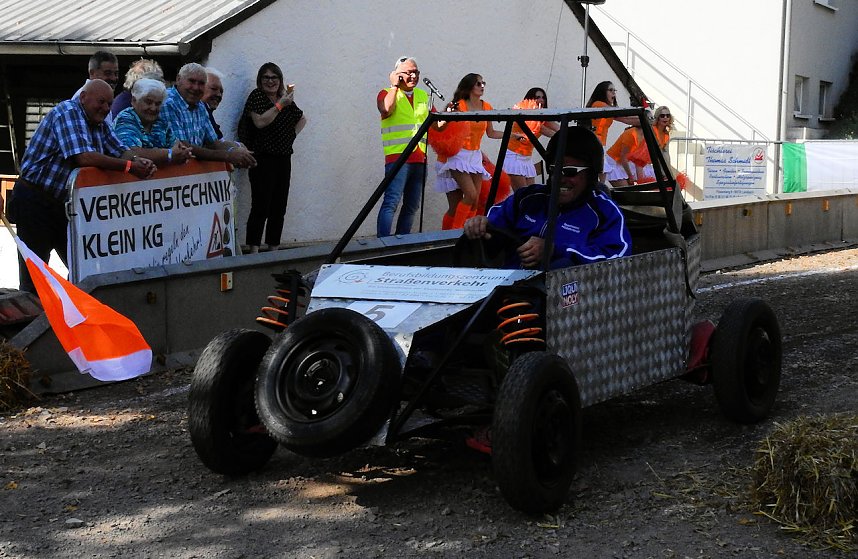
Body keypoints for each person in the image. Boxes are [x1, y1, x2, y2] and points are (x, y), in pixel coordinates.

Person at [7, 80, 156, 293]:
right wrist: (130, 166)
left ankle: (75, 316)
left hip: (65, 204)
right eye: (101, 102)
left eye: (109, 104)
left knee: (83, 266)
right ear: (83, 98)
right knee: (35, 274)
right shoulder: (67, 112)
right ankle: (36, 321)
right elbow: (83, 157)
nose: (105, 108)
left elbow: (119, 149)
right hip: (35, 199)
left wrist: (138, 160)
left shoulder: (100, 123)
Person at [463, 126, 631, 270]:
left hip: (563, 299)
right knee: (466, 243)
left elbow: (617, 256)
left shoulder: (603, 211)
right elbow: (494, 223)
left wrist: (554, 250)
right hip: (506, 292)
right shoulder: (527, 199)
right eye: (554, 170)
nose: (561, 178)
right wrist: (480, 224)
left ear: (591, 174)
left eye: (570, 171)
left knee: (562, 264)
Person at [238, 62, 307, 253]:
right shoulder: (258, 97)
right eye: (266, 77)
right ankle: (253, 249)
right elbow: (259, 122)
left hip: (283, 157)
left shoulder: (283, 98)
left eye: (274, 77)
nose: (270, 81)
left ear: (280, 79)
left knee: (279, 205)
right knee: (261, 205)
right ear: (260, 80)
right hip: (262, 157)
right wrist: (279, 105)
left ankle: (274, 247)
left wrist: (290, 136)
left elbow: (301, 118)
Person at [376, 56, 436, 238]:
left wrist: (448, 113)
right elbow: (386, 109)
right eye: (408, 72)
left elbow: (437, 124)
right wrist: (394, 86)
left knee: (412, 206)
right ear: (397, 75)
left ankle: (401, 242)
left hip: (420, 159)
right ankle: (384, 244)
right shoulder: (386, 93)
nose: (413, 76)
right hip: (398, 158)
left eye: (416, 72)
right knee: (391, 202)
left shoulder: (423, 96)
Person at [440, 73, 505, 229]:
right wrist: (448, 114)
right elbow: (442, 127)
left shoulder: (486, 107)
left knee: (475, 200)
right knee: (470, 195)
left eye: (483, 83)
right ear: (469, 86)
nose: (482, 86)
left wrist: (512, 136)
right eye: (478, 83)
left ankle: (466, 230)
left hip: (474, 155)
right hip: (459, 154)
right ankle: (457, 231)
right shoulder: (459, 105)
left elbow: (491, 133)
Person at [160, 63, 256, 168]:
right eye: (191, 81)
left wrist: (236, 151)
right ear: (178, 79)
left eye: (201, 83)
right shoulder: (168, 102)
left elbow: (213, 143)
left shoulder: (201, 106)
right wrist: (228, 155)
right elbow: (183, 147)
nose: (196, 87)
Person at [112, 78, 194, 166]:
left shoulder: (160, 122)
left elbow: (176, 146)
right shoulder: (125, 119)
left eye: (158, 104)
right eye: (148, 102)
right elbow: (131, 152)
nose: (153, 108)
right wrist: (169, 154)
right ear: (134, 101)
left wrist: (183, 152)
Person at [503, 87, 558, 191]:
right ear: (530, 99)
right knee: (522, 195)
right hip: (515, 157)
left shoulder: (541, 118)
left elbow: (558, 129)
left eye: (543, 97)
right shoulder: (523, 113)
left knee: (531, 195)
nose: (541, 100)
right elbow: (544, 130)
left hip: (527, 158)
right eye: (537, 97)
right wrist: (561, 136)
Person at [585, 81, 638, 182]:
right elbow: (623, 116)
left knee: (601, 172)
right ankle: (599, 191)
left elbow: (625, 119)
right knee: (600, 171)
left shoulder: (608, 109)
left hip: (600, 143)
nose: (614, 93)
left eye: (614, 90)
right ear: (602, 92)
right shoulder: (598, 104)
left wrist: (642, 120)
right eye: (610, 90)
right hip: (594, 142)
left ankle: (599, 190)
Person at [73, 51, 121, 125]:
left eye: (116, 73)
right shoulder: (82, 98)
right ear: (92, 73)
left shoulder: (105, 97)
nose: (114, 78)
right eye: (108, 73)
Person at [202, 67, 225, 140]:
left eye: (221, 91)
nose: (219, 95)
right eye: (213, 89)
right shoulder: (201, 111)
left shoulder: (207, 111)